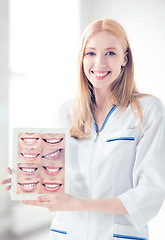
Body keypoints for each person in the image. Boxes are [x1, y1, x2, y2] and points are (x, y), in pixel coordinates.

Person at [1, 19, 165, 240]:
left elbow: (149, 193)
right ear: (81, 58)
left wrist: (79, 204)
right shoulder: (66, 111)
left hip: (117, 235)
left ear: (125, 59)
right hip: (68, 233)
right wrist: (32, 180)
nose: (99, 62)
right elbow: (60, 180)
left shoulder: (147, 110)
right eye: (90, 53)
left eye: (110, 53)